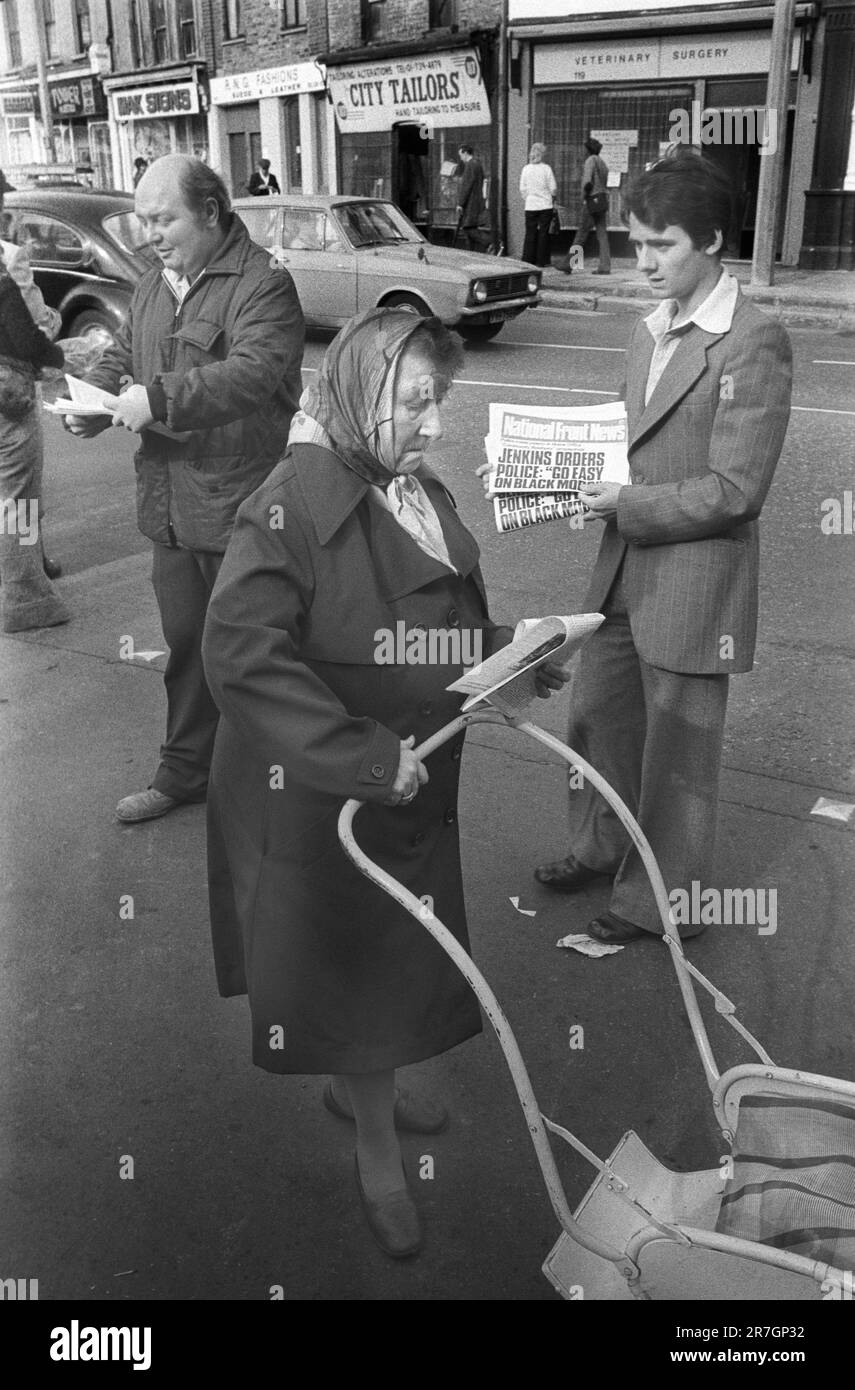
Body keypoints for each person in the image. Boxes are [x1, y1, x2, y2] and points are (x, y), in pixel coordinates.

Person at [201, 307, 567, 1258]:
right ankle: (374, 1151)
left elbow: (425, 619)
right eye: (414, 402)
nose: (434, 422)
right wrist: (358, 754)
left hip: (410, 776)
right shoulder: (287, 504)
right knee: (359, 974)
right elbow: (239, 653)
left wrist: (510, 654)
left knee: (398, 955)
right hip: (328, 792)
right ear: (361, 397)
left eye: (438, 399)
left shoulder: (410, 489)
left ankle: (370, 1080)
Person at [534, 150, 792, 944]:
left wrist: (628, 505)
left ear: (711, 239)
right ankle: (598, 847)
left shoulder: (752, 341)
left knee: (676, 758)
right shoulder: (649, 330)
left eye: (660, 245)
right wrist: (546, 473)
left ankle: (659, 904)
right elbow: (623, 438)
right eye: (635, 241)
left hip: (692, 586)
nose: (641, 262)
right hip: (619, 573)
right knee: (597, 721)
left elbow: (734, 490)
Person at [63, 155, 305, 824]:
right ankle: (185, 773)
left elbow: (254, 374)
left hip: (243, 506)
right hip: (171, 510)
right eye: (143, 220)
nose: (150, 234)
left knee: (253, 655)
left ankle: (276, 786)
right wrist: (98, 400)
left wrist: (159, 400)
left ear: (211, 212)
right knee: (187, 650)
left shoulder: (264, 284)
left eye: (162, 219)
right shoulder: (151, 284)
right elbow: (122, 355)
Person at [0, 256, 68, 632]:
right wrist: (59, 355)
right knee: (21, 503)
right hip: (9, 401)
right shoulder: (2, 277)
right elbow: (25, 339)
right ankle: (27, 599)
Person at [562, 137, 611, 276]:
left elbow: (587, 181)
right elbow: (605, 181)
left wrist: (584, 197)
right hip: (602, 200)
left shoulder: (590, 160)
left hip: (592, 200)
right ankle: (605, 266)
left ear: (588, 150)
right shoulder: (602, 163)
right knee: (602, 235)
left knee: (581, 233)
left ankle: (569, 264)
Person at [519, 143, 557, 268]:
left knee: (530, 232)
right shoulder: (546, 168)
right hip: (545, 205)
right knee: (543, 233)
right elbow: (553, 188)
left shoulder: (526, 169)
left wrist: (529, 198)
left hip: (530, 205)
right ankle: (542, 260)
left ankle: (528, 259)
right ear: (542, 154)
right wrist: (552, 197)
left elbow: (522, 189)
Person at [455, 144, 486, 251]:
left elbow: (466, 185)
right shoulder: (478, 164)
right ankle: (471, 251)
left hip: (471, 203)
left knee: (468, 228)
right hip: (477, 201)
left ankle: (490, 243)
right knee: (471, 228)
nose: (460, 158)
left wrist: (460, 203)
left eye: (460, 155)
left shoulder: (470, 165)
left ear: (465, 153)